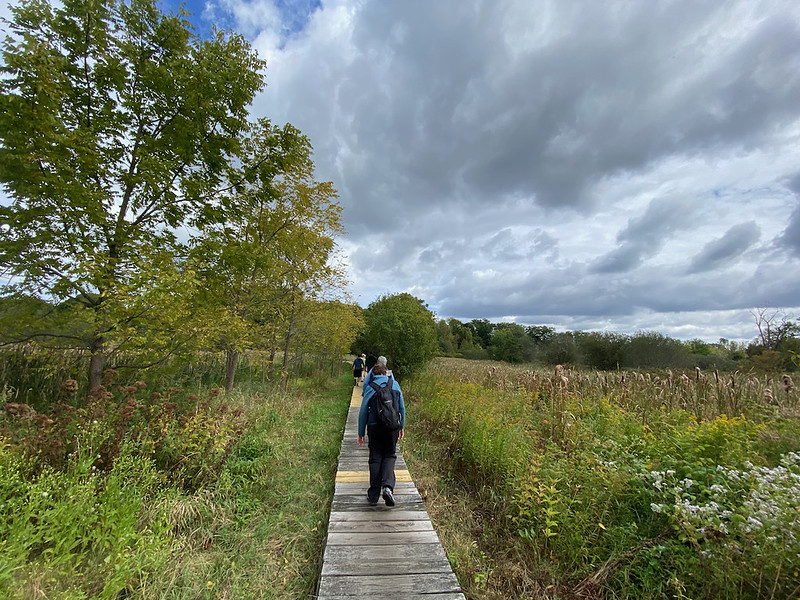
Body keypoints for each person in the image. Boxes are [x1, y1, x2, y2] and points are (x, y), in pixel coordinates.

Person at [358, 362, 405, 506]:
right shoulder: (395, 385)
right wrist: (401, 426)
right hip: (392, 427)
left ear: (373, 374)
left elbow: (363, 411)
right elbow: (401, 408)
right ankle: (387, 487)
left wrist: (361, 432)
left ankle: (373, 496)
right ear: (386, 373)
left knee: (375, 457)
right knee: (390, 455)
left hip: (374, 427)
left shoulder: (371, 387)